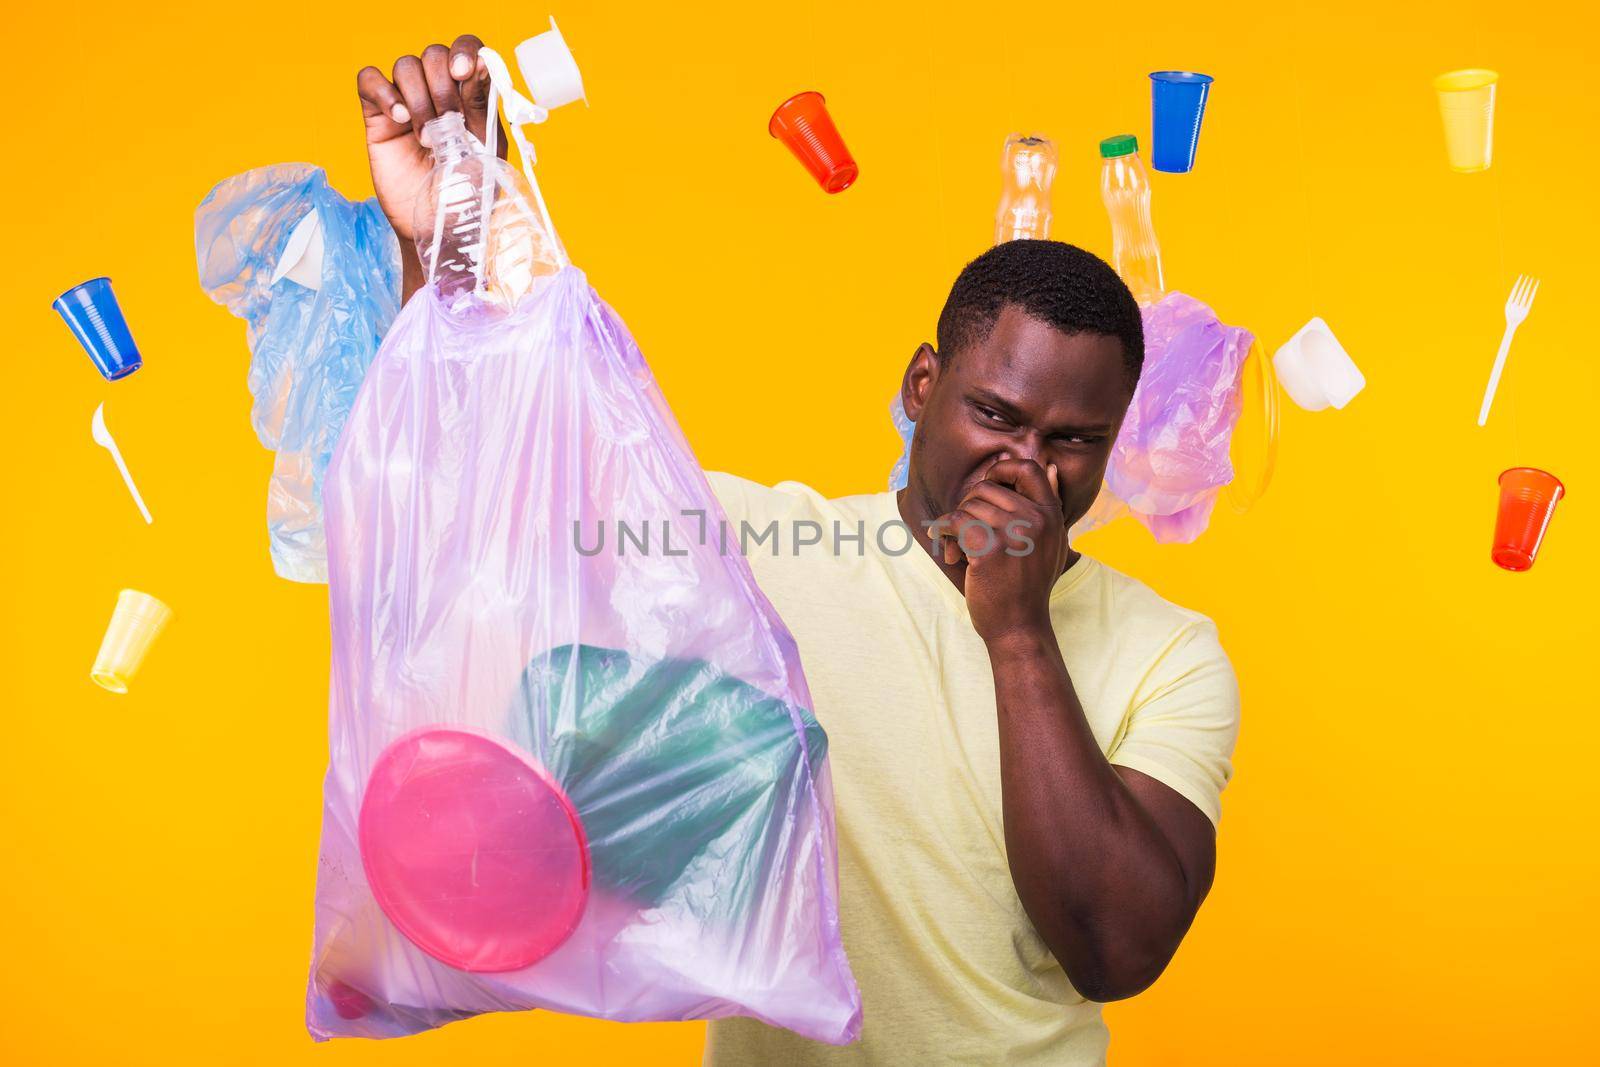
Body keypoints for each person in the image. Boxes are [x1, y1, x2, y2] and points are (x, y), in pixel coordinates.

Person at [356, 37, 1240, 1066]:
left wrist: (1016, 628)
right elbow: (477, 481)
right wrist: (452, 224)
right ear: (923, 388)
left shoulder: (1171, 654)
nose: (1024, 466)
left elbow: (1116, 945)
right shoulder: (748, 546)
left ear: (1108, 442)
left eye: (1070, 441)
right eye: (994, 414)